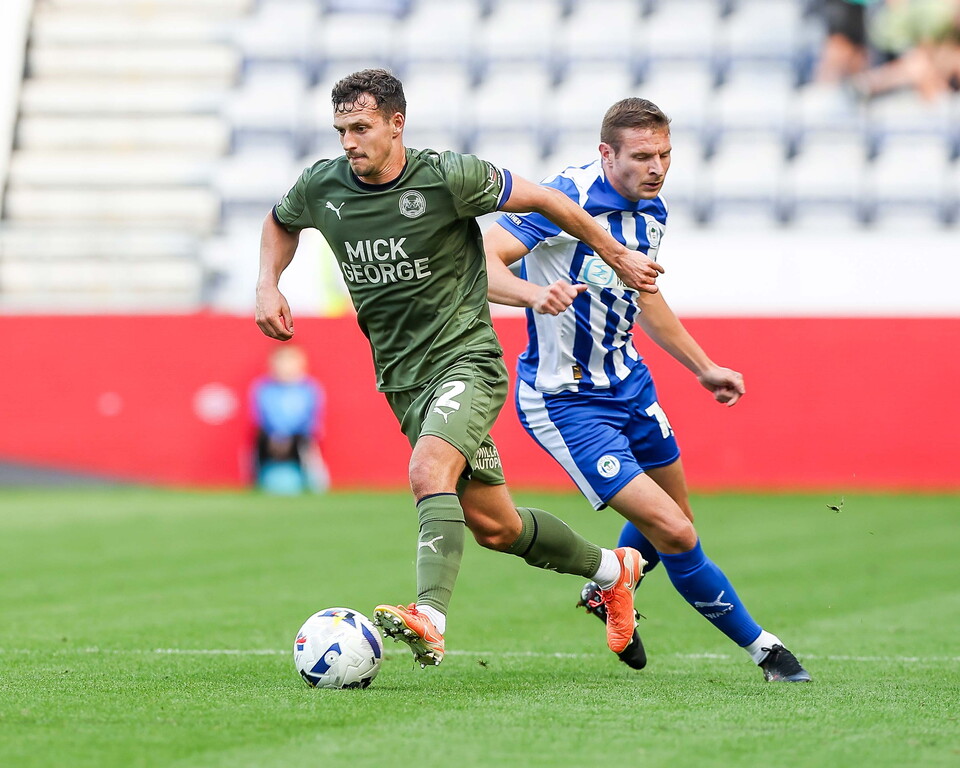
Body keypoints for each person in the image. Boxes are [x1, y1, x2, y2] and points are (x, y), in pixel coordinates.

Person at [255, 69, 665, 668]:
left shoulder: (448, 176)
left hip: (466, 360)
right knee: (495, 527)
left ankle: (431, 616)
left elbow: (549, 200)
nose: (348, 141)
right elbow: (279, 221)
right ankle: (615, 568)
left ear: (397, 124)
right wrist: (268, 283)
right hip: (403, 379)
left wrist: (616, 253)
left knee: (428, 471)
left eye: (361, 127)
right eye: (341, 129)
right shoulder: (324, 185)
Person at [482, 97, 812, 682]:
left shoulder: (650, 207)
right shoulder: (565, 200)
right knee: (679, 532)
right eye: (641, 156)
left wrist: (701, 365)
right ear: (606, 153)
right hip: (566, 399)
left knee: (675, 517)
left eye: (664, 155)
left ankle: (608, 587)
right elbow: (484, 264)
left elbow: (644, 292)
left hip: (630, 383)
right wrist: (535, 295)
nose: (655, 167)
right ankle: (769, 653)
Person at [250, 344, 329, 494]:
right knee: (256, 445)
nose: (286, 368)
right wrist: (278, 434)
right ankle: (256, 482)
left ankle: (317, 485)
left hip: (301, 436)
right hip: (270, 436)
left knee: (308, 450)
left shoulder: (310, 388)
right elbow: (261, 415)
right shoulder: (263, 387)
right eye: (281, 363)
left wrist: (292, 434)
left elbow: (312, 417)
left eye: (291, 363)